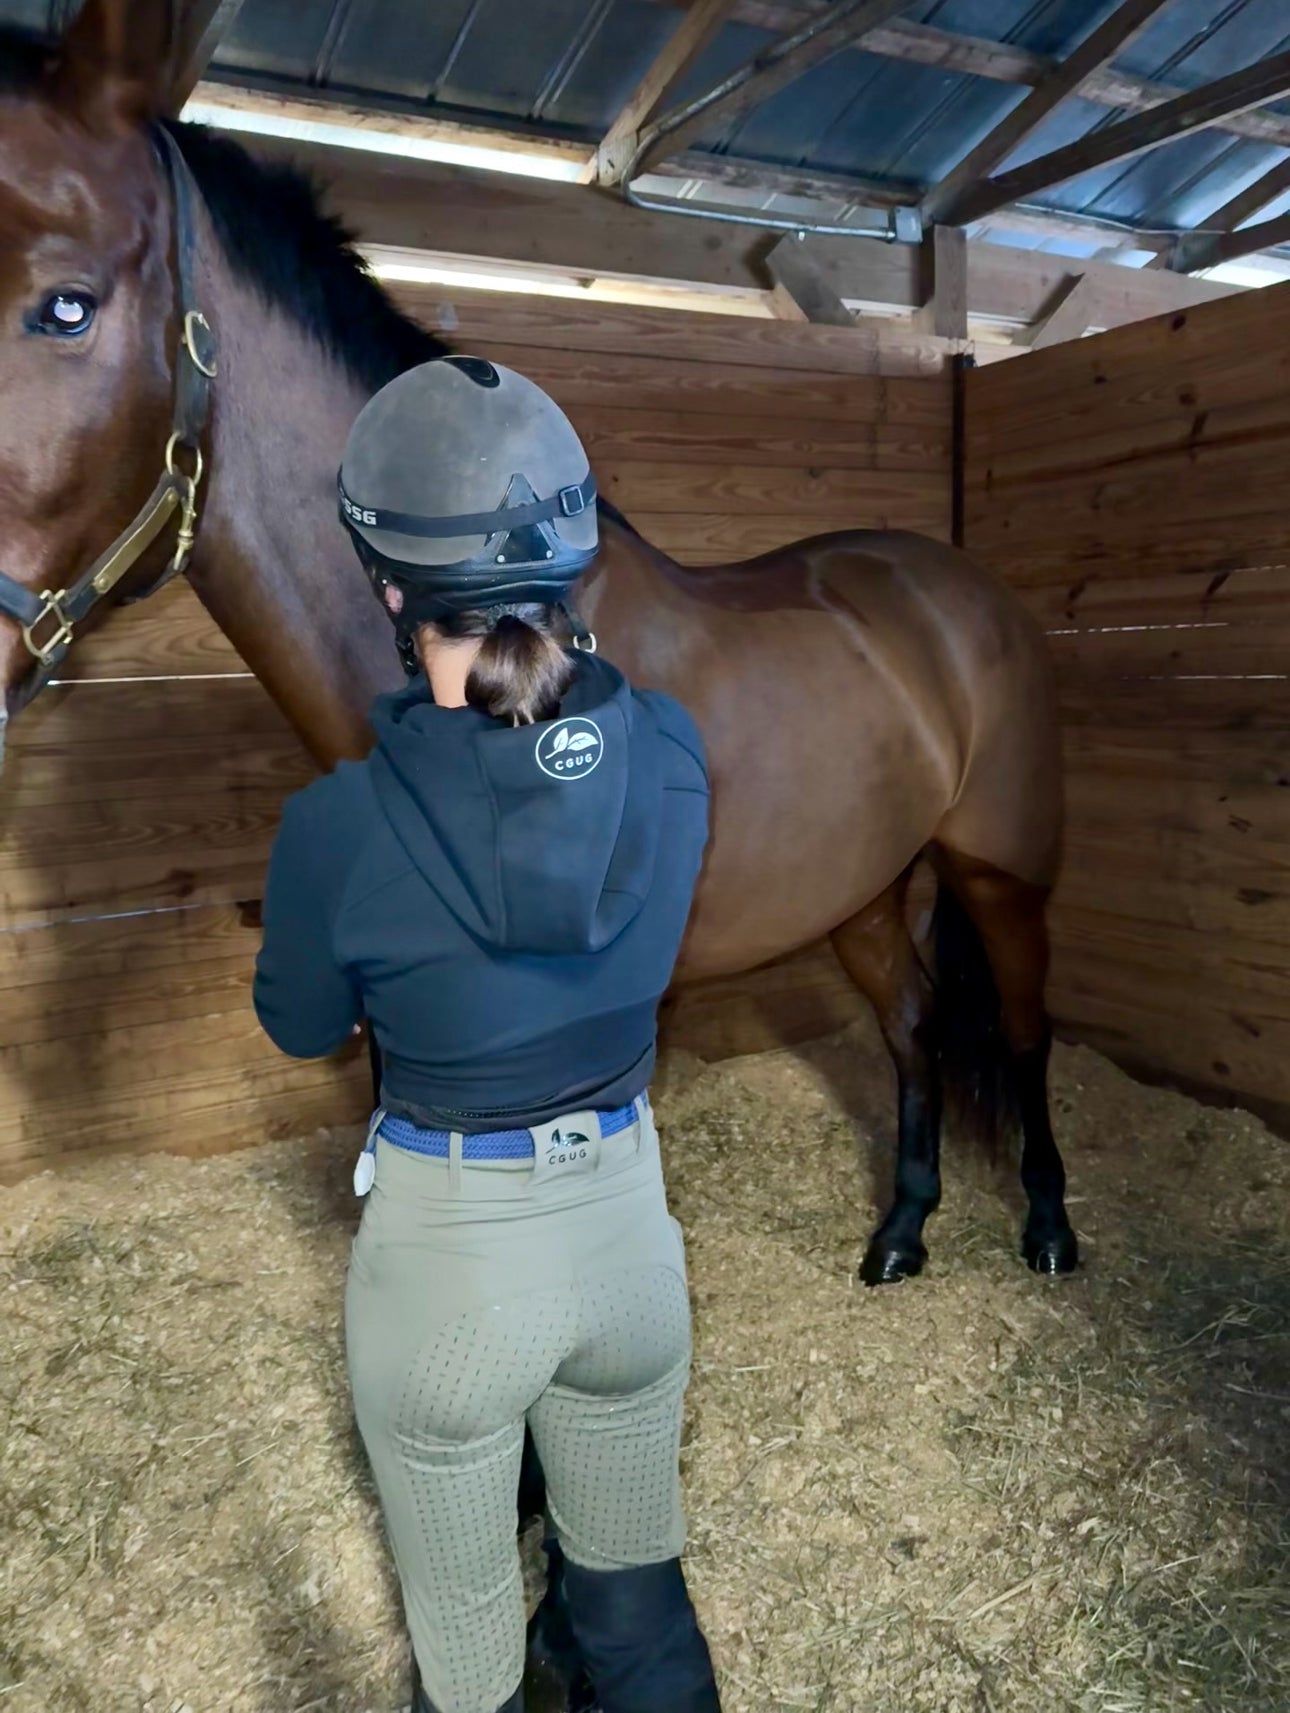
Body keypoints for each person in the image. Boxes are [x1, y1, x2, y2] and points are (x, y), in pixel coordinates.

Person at [253, 355, 720, 1713]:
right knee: (637, 1616)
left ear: (390, 591)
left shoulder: (336, 824)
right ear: (574, 564)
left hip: (450, 1276)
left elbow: (300, 1028)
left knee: (468, 1660)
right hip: (632, 1250)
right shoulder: (675, 750)